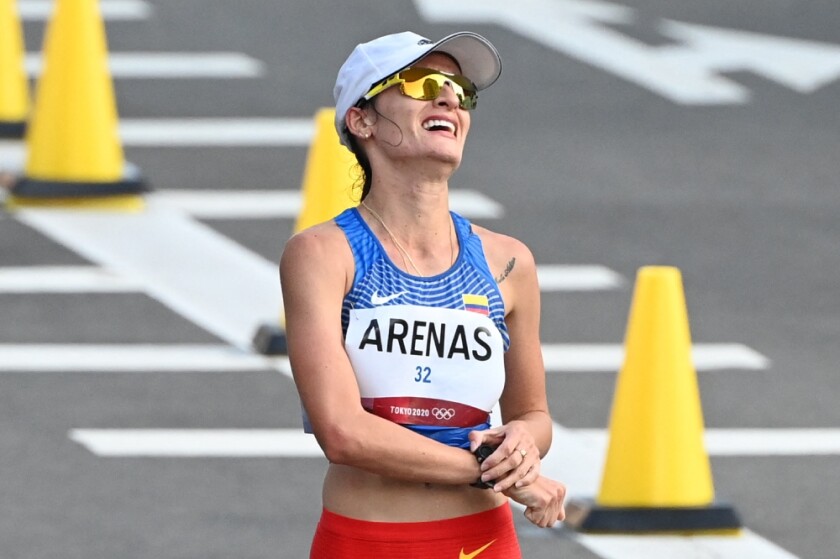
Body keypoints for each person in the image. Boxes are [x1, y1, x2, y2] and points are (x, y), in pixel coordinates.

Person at [280, 30, 566, 558]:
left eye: (461, 91)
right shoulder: (323, 255)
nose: (448, 98)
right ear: (361, 120)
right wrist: (489, 472)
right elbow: (342, 433)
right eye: (422, 83)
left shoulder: (509, 262)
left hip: (483, 541)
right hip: (368, 541)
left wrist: (525, 442)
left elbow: (534, 414)